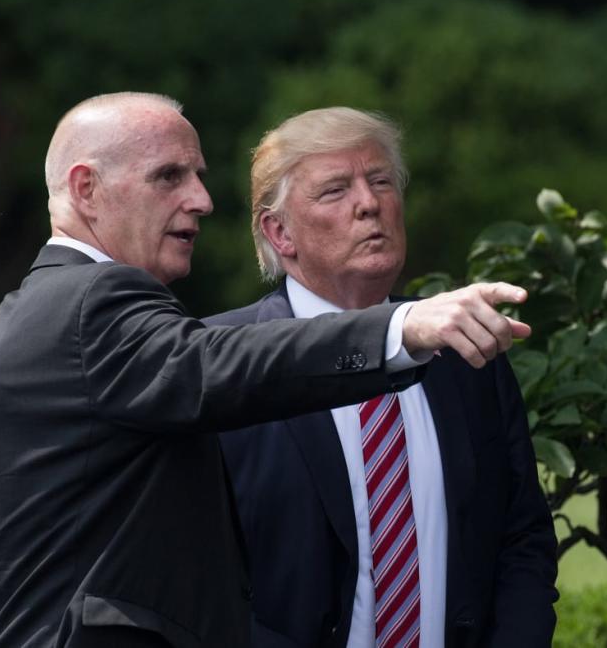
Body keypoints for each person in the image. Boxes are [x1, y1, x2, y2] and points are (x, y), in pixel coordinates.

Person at [0, 93, 533, 648]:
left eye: (198, 176)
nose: (203, 200)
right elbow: (212, 365)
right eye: (169, 176)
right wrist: (402, 329)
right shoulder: (95, 304)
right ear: (85, 189)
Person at [207, 107, 558, 648]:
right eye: (334, 191)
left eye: (380, 181)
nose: (369, 204)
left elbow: (522, 536)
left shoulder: (462, 349)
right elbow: (199, 579)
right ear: (280, 233)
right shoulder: (224, 363)